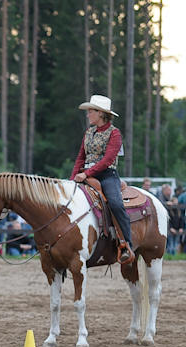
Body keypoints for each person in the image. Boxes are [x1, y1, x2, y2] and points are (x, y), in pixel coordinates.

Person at [70, 95, 133, 263]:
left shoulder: (115, 133)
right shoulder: (88, 132)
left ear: (101, 113)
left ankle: (126, 243)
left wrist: (86, 173)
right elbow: (80, 158)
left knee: (115, 203)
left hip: (107, 175)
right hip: (85, 173)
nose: (88, 115)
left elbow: (108, 160)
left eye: (91, 112)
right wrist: (72, 180)